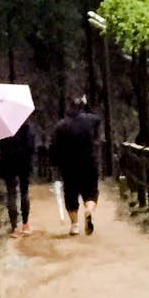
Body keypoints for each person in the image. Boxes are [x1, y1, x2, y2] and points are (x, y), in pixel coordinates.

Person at [50, 95, 101, 236]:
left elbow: (54, 147)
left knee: (71, 195)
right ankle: (89, 210)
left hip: (69, 166)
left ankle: (74, 225)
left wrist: (55, 164)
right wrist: (87, 105)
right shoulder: (89, 120)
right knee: (91, 192)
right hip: (89, 163)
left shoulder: (60, 126)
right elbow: (97, 119)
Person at [0, 116, 36, 234]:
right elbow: (31, 144)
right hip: (24, 162)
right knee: (24, 191)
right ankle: (25, 224)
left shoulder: (2, 126)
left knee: (11, 192)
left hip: (7, 161)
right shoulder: (24, 123)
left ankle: (14, 227)